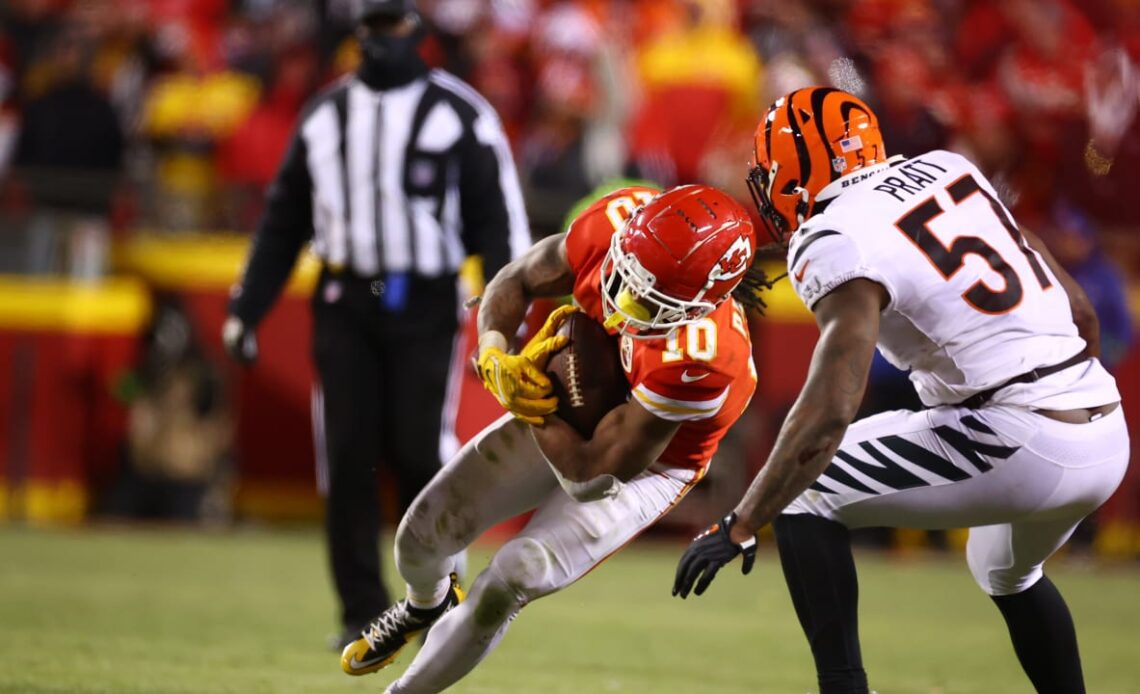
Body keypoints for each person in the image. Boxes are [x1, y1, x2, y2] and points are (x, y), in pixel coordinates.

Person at [672, 87, 1129, 694]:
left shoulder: (833, 236)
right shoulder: (948, 169)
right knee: (1003, 569)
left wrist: (742, 521)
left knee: (806, 488)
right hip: (1104, 425)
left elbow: (831, 408)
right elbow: (1082, 312)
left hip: (1018, 427)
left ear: (790, 173)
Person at [339, 183, 774, 692]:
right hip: (585, 418)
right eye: (626, 273)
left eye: (645, 297)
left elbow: (589, 477)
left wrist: (532, 402)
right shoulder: (613, 223)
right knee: (419, 537)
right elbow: (514, 279)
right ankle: (426, 603)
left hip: (649, 463)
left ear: (701, 303)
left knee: (516, 574)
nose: (619, 301)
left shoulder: (701, 360)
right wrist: (496, 351)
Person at [221, 0, 529, 648]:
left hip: (423, 300)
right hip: (346, 299)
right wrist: (247, 308)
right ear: (358, 32)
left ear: (415, 30)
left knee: (421, 452)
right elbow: (283, 221)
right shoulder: (325, 115)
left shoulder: (462, 114)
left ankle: (441, 604)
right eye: (374, 26)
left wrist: (509, 312)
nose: (384, 39)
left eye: (394, 25)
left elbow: (496, 223)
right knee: (348, 454)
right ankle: (359, 610)